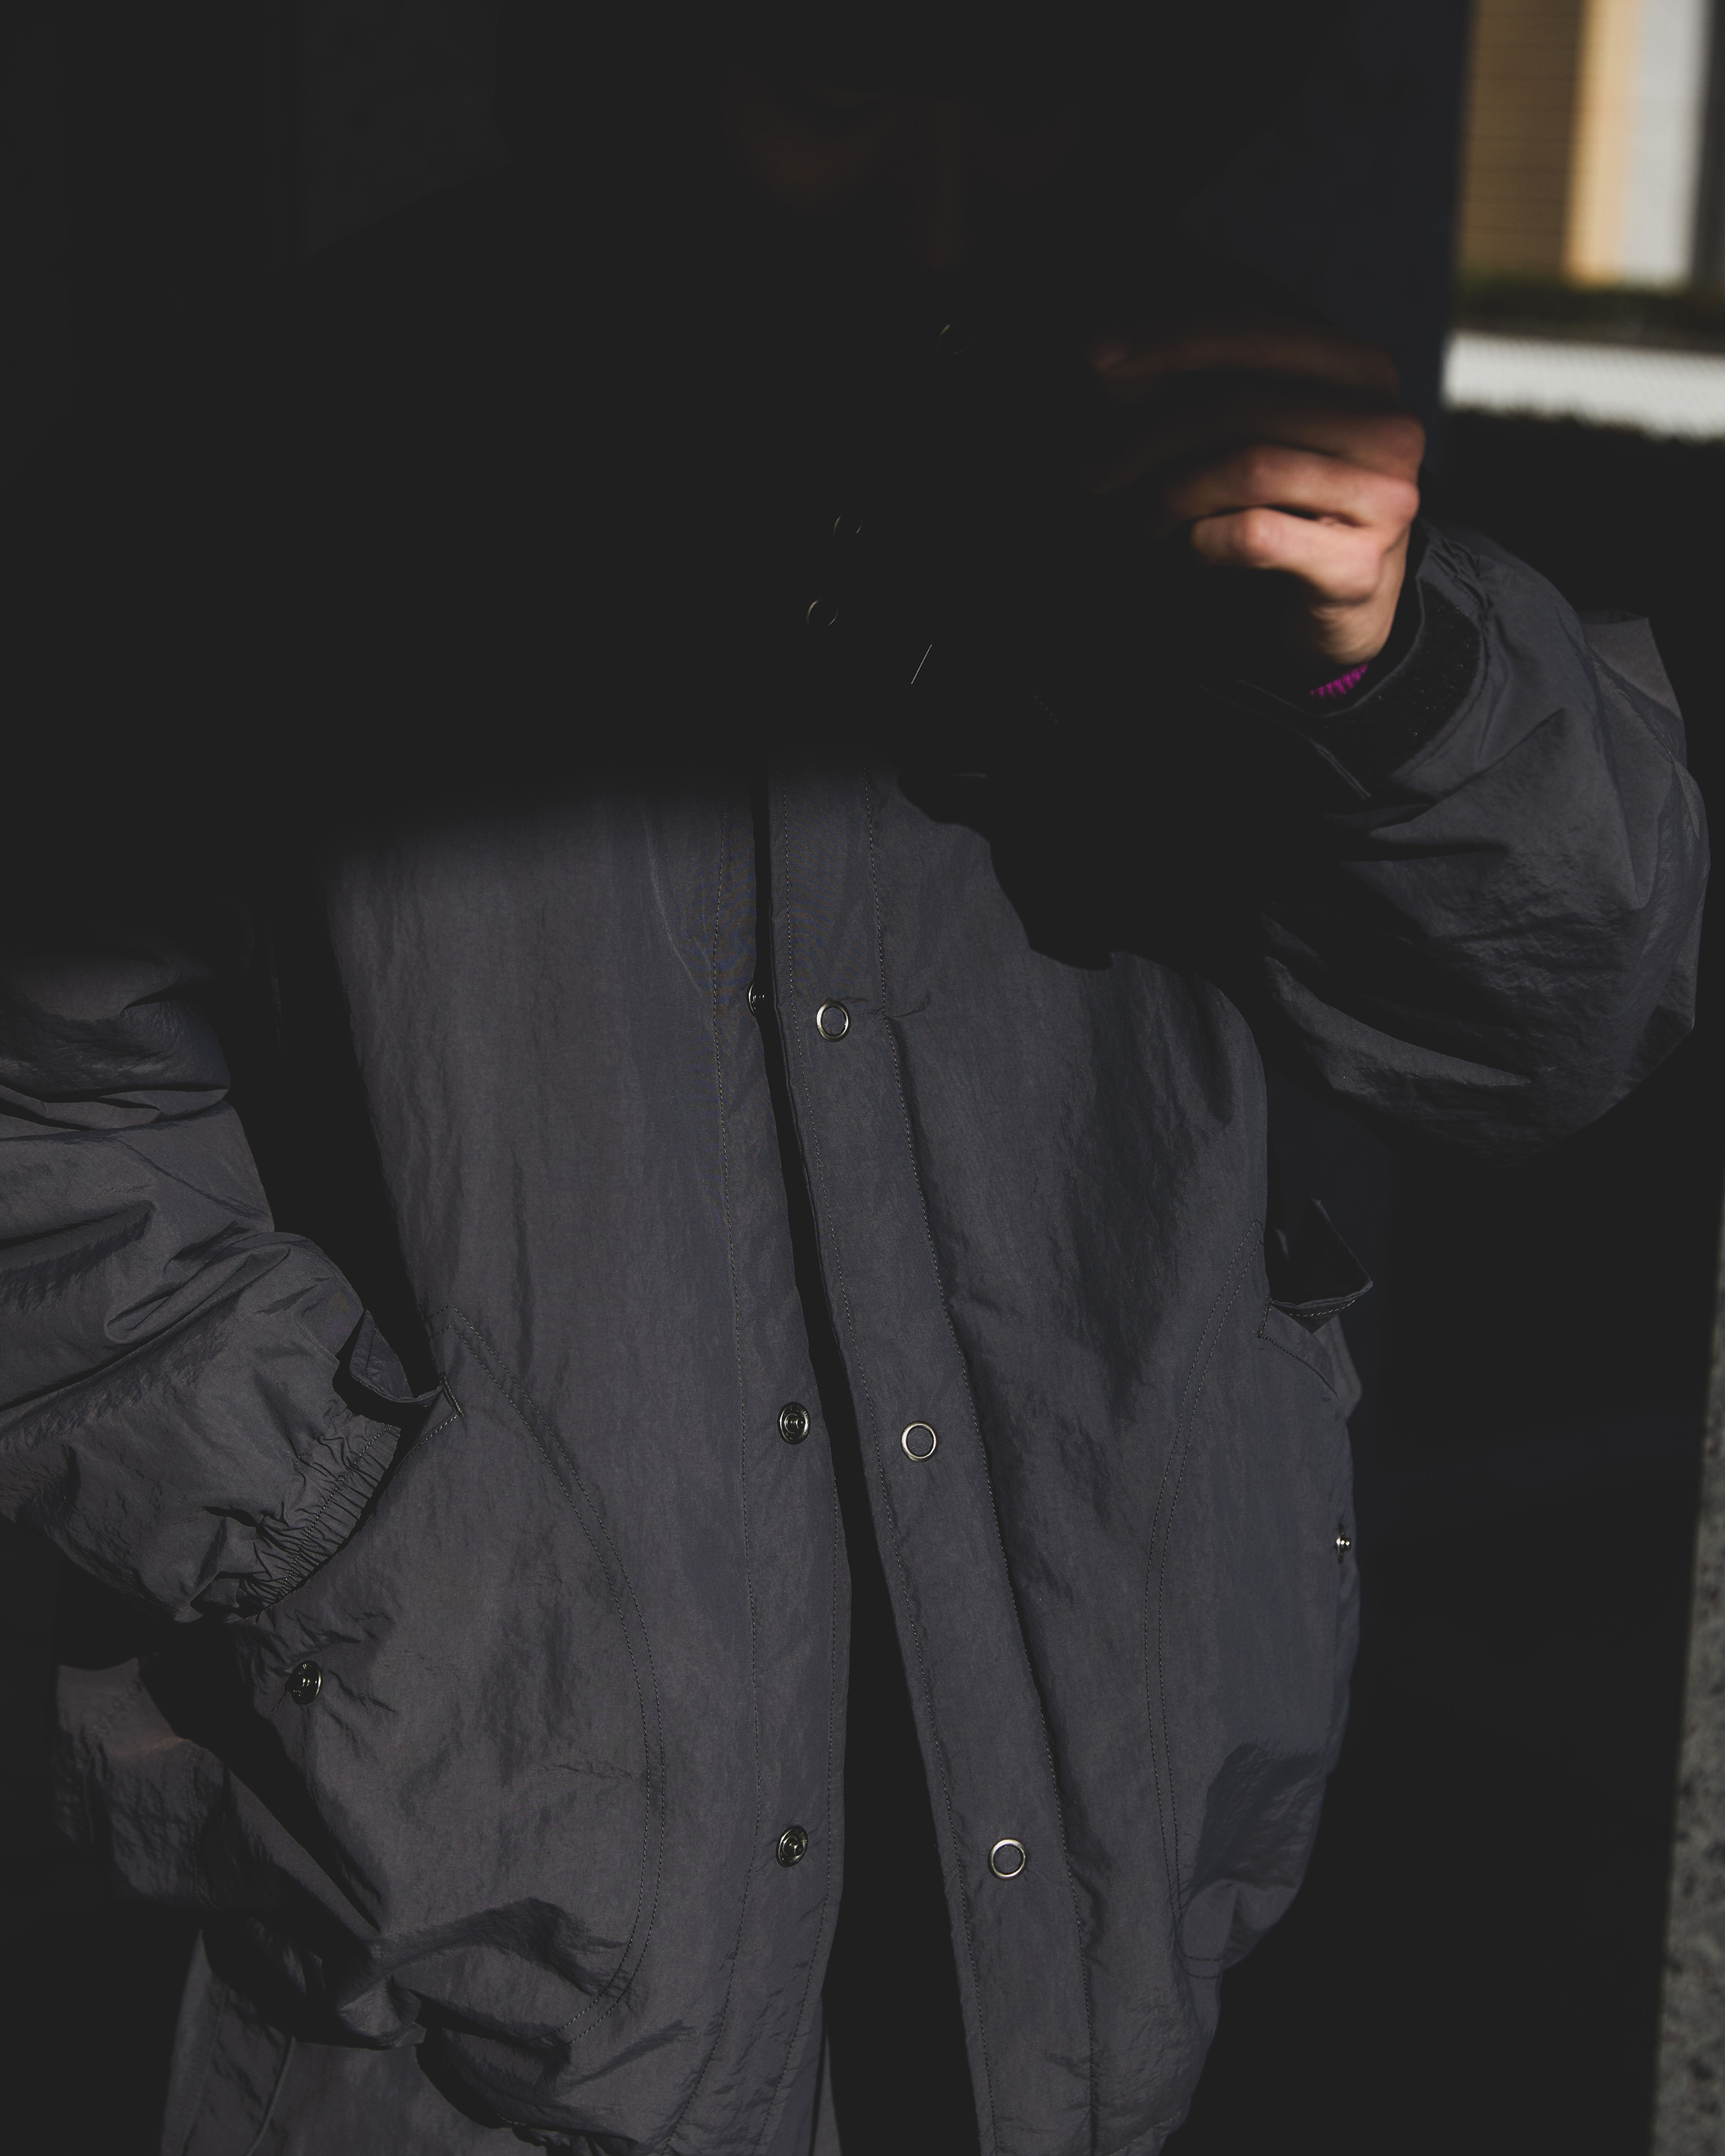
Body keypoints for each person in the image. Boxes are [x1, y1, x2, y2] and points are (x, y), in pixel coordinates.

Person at [0, 9, 1706, 2152]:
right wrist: (355, 1530)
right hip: (447, 1961)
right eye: (834, 88)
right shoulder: (271, 460)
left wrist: (1397, 670)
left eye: (1035, 83)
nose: (949, 198)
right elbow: (42, 1113)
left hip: (1091, 1908)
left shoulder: (1210, 410)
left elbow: (1558, 1030)